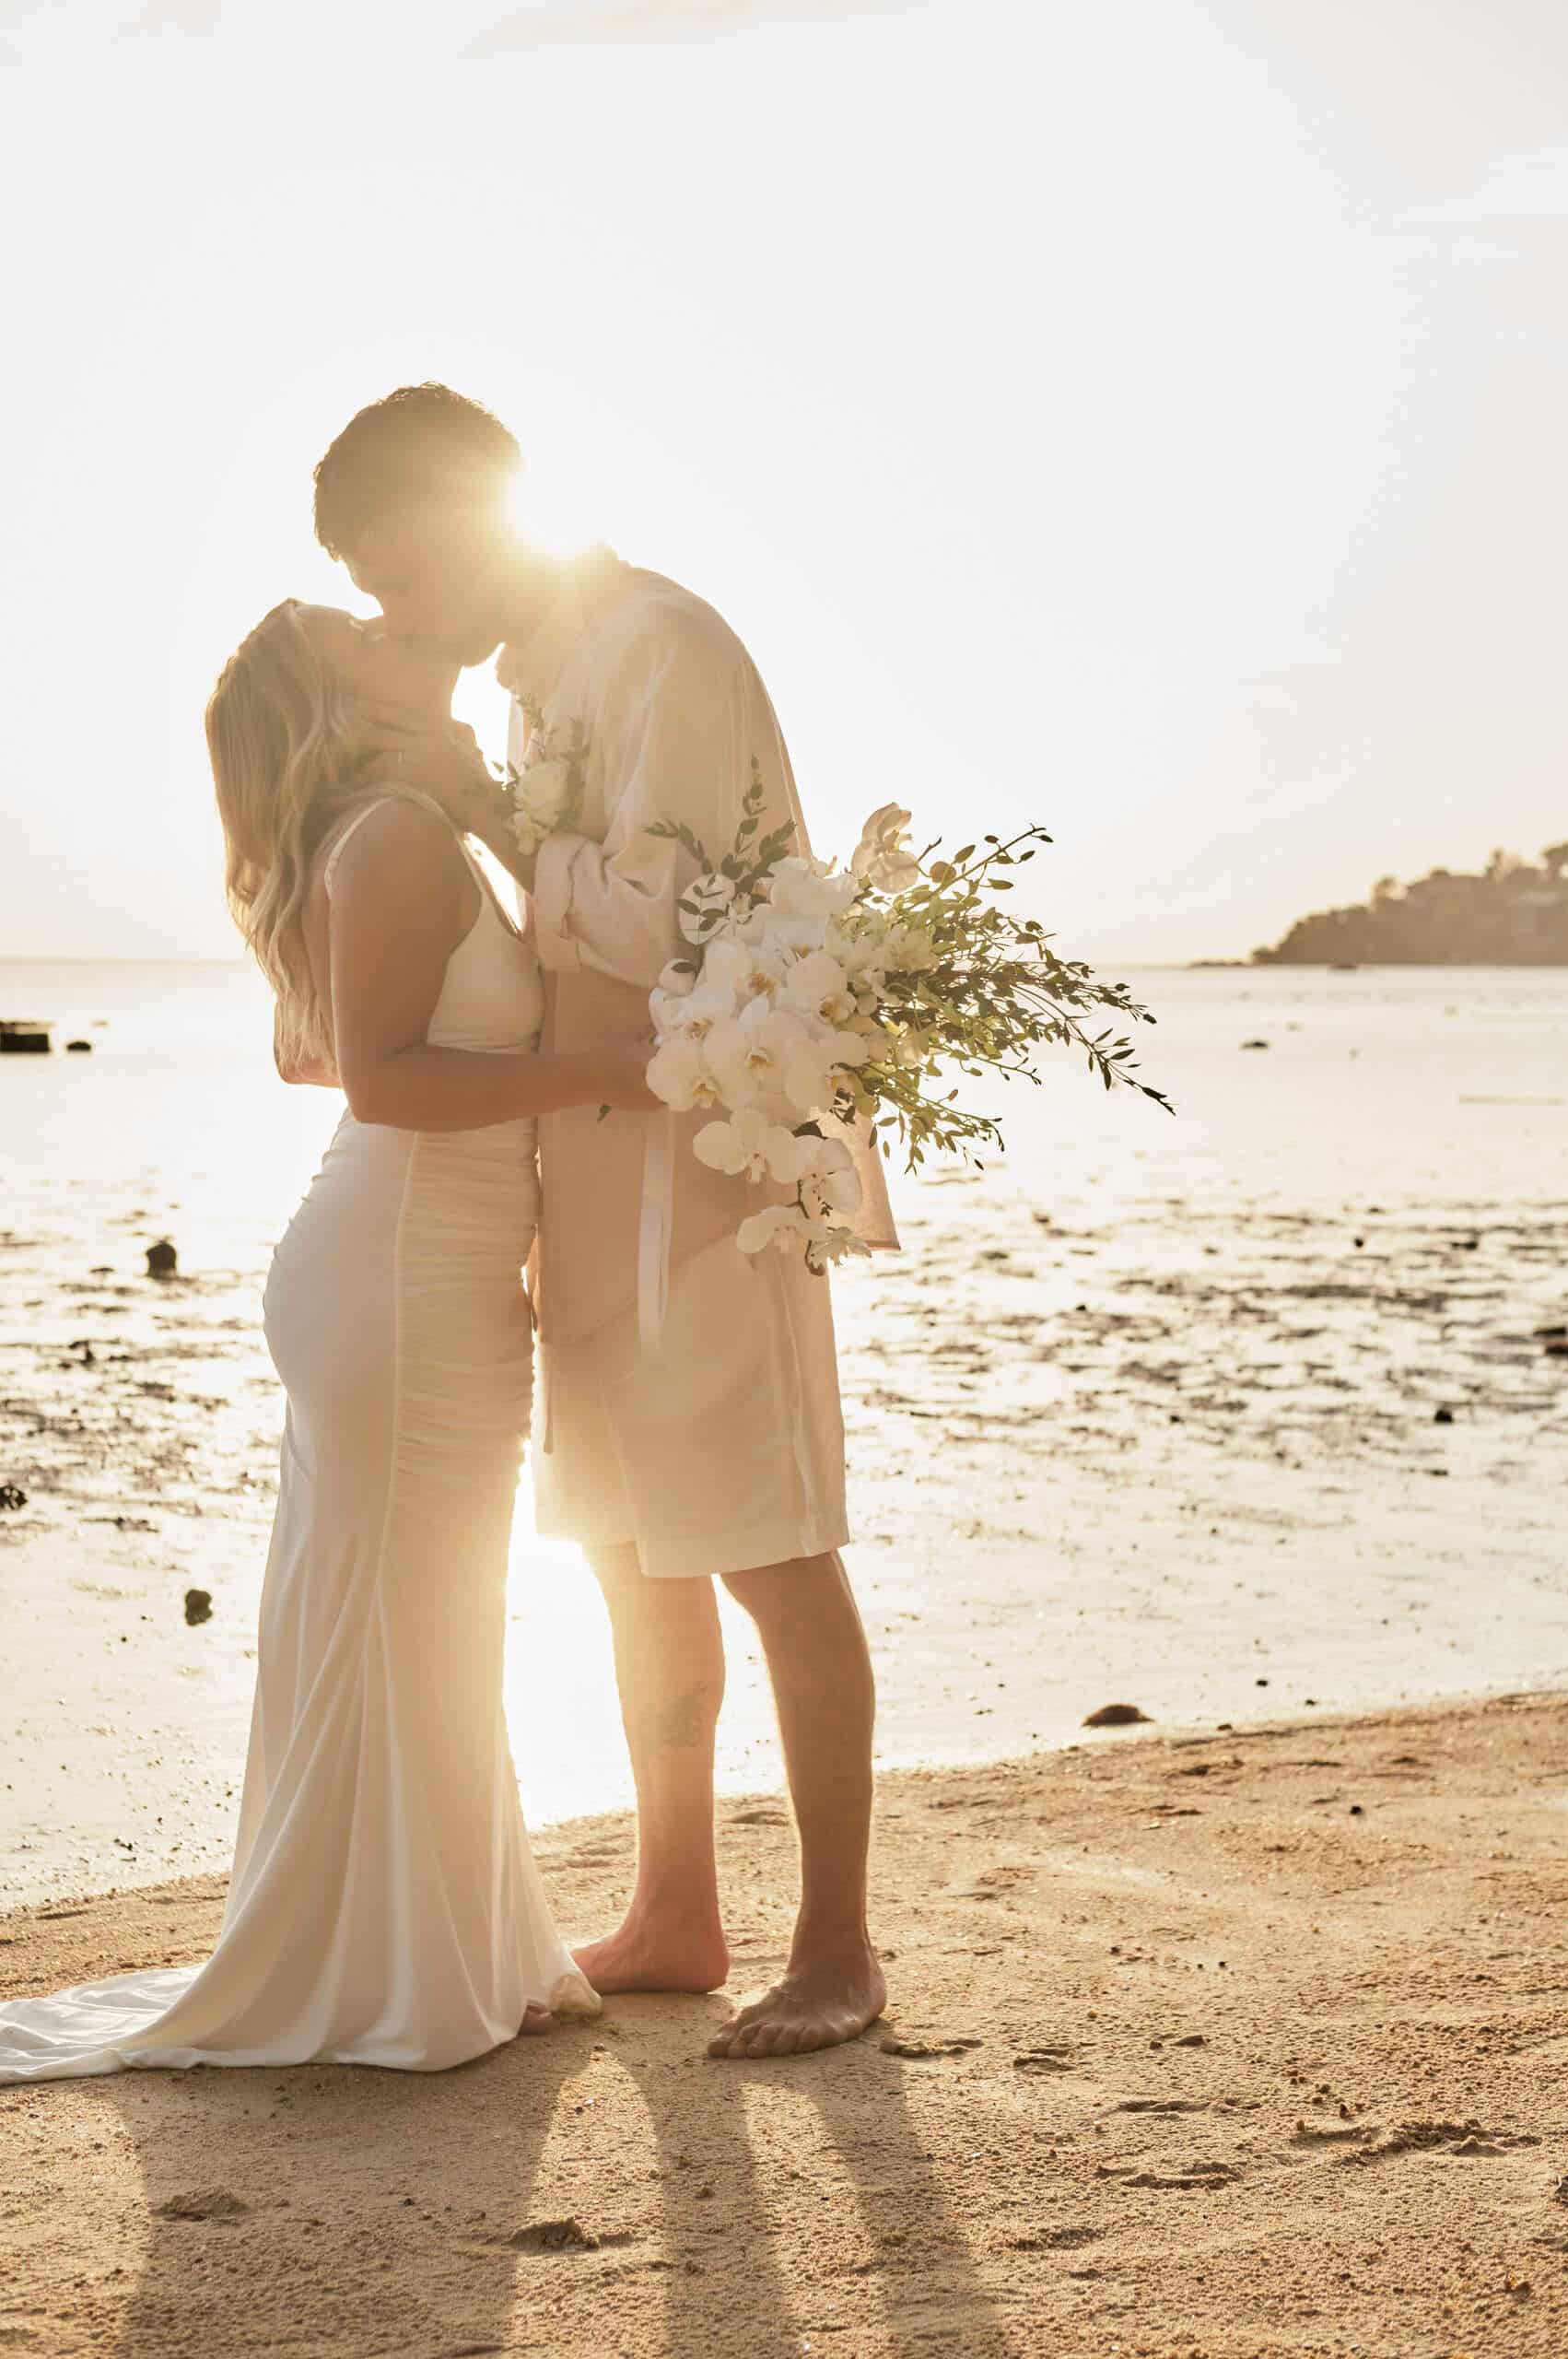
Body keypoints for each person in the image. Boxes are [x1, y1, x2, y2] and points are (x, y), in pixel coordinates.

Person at [311, 383, 900, 2060]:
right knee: (636, 1548)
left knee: (774, 1540)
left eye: (404, 575)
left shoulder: (660, 648)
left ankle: (841, 1947)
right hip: (591, 1169)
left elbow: (658, 926)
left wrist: (486, 812)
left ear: (485, 515)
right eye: (373, 595)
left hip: (713, 1175)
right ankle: (675, 1909)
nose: (399, 617)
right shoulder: (551, 676)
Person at [0, 599, 657, 2084]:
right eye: (353, 624)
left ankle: (443, 1948)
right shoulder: (394, 839)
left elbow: (312, 1050)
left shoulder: (386, 835)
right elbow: (379, 1082)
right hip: (401, 1274)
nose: (388, 617)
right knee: (403, 1607)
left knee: (417, 1608)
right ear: (331, 695)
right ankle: (402, 1968)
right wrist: (607, 1068)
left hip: (413, 1267)